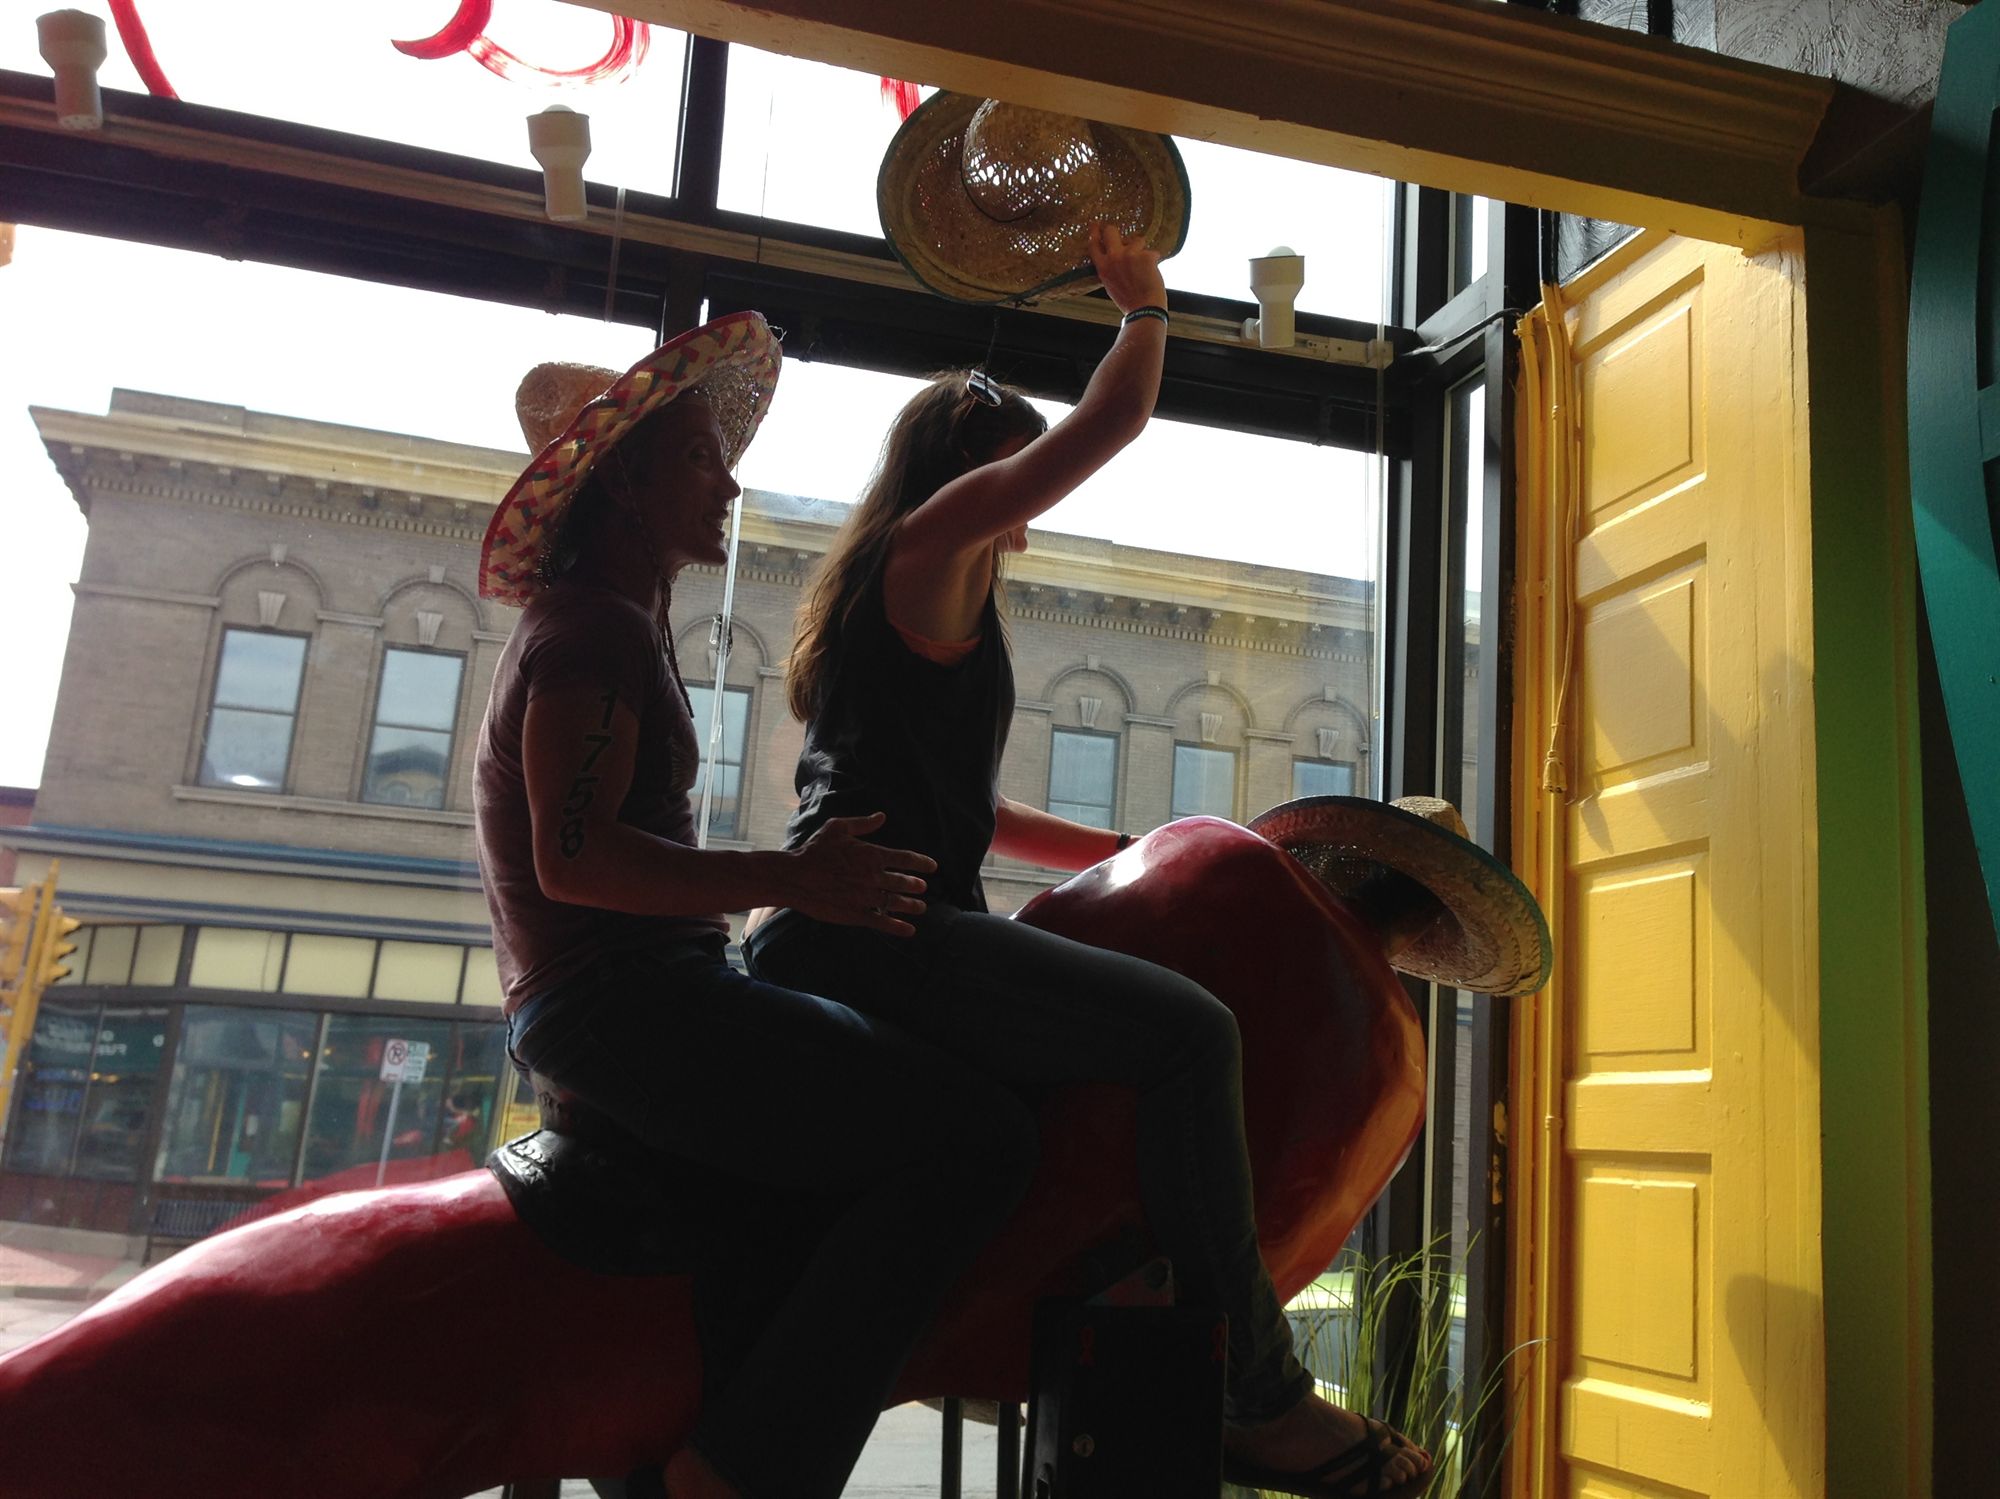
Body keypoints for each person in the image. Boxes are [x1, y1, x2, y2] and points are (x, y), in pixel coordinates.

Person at [743, 230, 1435, 1499]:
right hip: (875, 930)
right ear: (975, 475)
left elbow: (982, 809)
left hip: (870, 924)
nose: (1025, 519)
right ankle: (1258, 1393)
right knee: (1188, 1035)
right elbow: (1107, 423)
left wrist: (1141, 848)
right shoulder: (929, 544)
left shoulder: (909, 592)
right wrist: (1143, 309)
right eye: (1015, 484)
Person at [472, 312, 1041, 1499]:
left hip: (630, 998)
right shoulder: (591, 632)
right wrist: (795, 877)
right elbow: (575, 858)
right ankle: (747, 1468)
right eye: (697, 458)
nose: (727, 483)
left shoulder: (613, 622)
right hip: (623, 1004)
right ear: (623, 484)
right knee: (979, 1135)